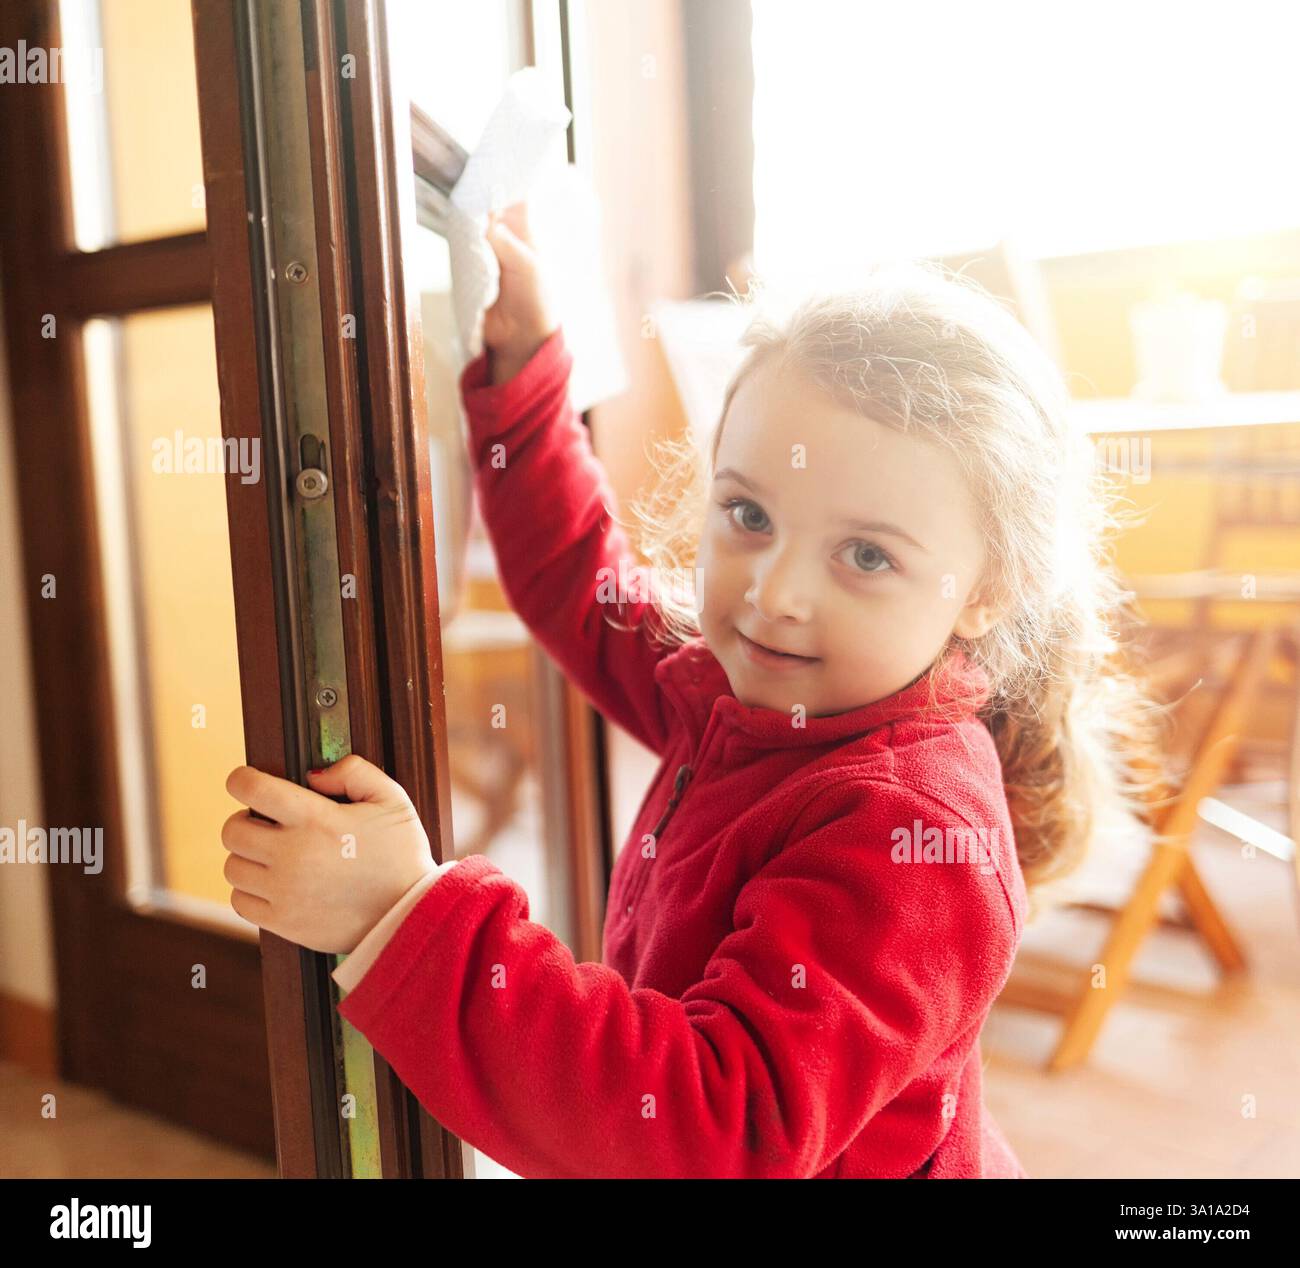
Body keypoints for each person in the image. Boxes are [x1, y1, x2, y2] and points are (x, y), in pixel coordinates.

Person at [221, 204, 1156, 1178]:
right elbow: (583, 588)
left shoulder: (911, 833)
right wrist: (526, 365)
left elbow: (711, 1130)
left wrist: (401, 915)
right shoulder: (742, 687)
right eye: (748, 513)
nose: (775, 592)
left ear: (988, 590)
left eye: (866, 554)